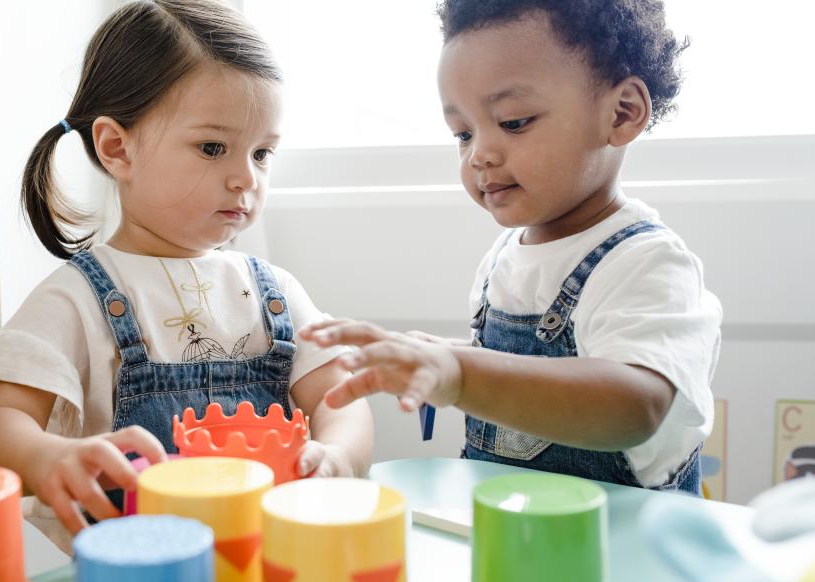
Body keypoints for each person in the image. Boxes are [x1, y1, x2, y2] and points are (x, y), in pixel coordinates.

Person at [0, 0, 372, 552]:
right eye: (212, 147)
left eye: (262, 153)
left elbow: (340, 398)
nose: (246, 178)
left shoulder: (276, 293)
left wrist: (338, 455)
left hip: (269, 562)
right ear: (118, 148)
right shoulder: (78, 297)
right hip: (138, 571)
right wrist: (49, 456)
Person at [301, 0, 720, 495]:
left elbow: (636, 406)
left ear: (622, 112)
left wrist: (462, 374)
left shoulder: (646, 264)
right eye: (462, 133)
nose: (480, 153)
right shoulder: (504, 256)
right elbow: (518, 368)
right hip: (519, 536)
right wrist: (440, 357)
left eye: (514, 121)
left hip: (624, 549)